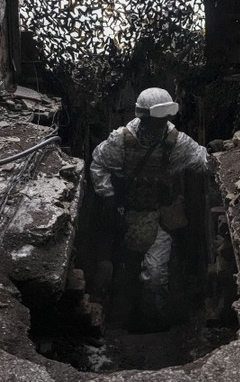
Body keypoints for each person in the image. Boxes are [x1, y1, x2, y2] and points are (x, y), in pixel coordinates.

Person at [90, 87, 208, 330]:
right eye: (155, 120)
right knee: (126, 271)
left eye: (164, 119)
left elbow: (201, 160)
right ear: (143, 117)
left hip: (161, 214)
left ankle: (154, 318)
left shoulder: (175, 141)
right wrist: (109, 197)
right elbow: (99, 163)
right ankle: (124, 319)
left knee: (154, 274)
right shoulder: (122, 140)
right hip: (128, 215)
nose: (159, 125)